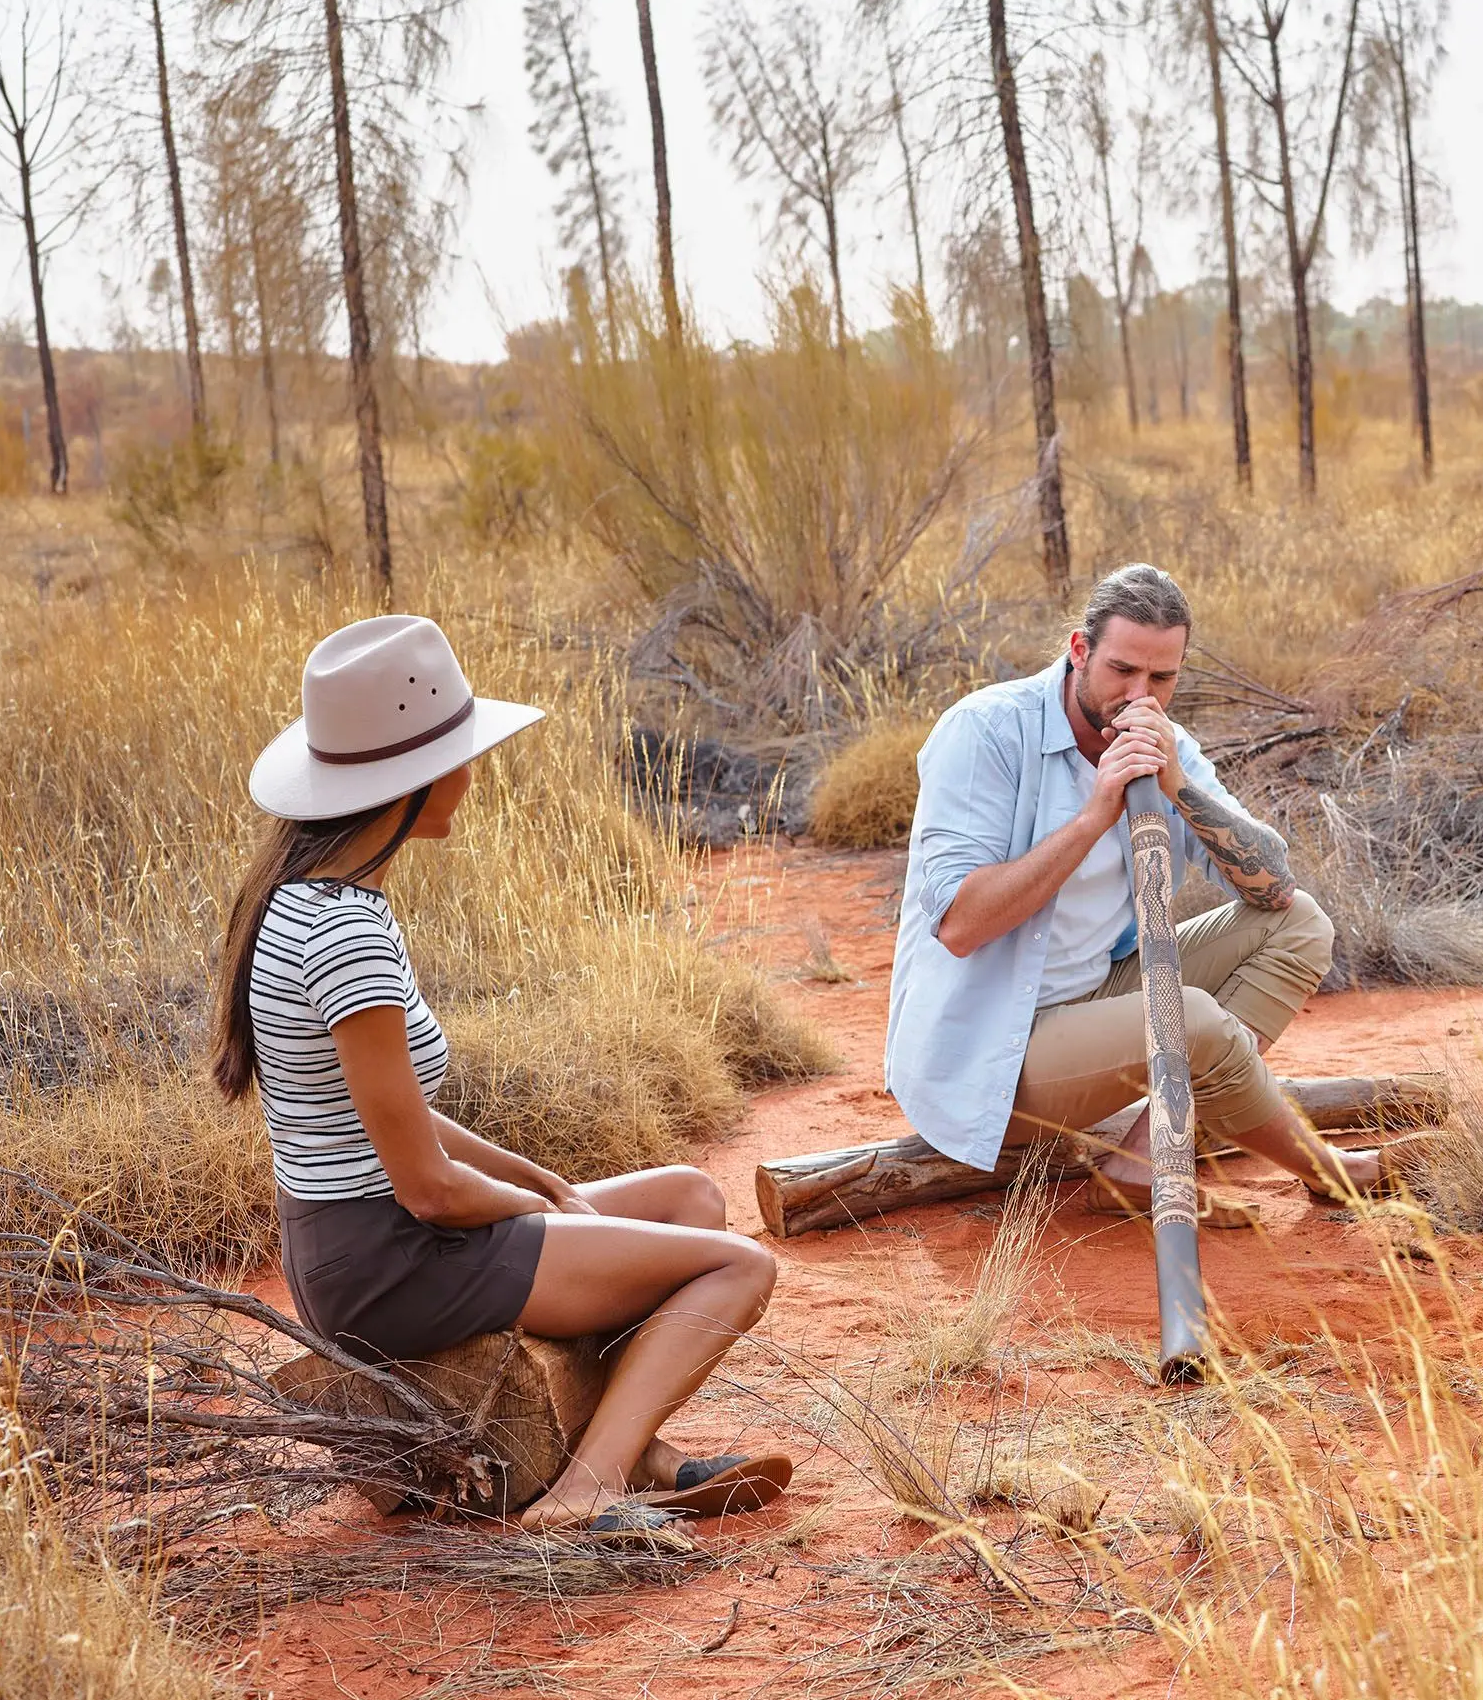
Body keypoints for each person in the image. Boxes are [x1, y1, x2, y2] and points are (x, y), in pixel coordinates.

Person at [212, 615, 792, 1539]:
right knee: (740, 1268)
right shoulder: (347, 934)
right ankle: (584, 1492)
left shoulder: (305, 898)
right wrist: (534, 1213)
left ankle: (632, 1449)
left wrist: (538, 1178)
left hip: (359, 1243)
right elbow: (430, 1189)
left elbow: (401, 1115)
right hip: (387, 1261)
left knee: (686, 1198)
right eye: (461, 756)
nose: (472, 774)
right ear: (408, 784)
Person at [887, 564, 1409, 1224]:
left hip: (1098, 1008)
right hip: (991, 1050)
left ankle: (1141, 1159)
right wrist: (1094, 816)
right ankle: (1329, 1170)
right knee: (1187, 1020)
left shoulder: (1168, 743)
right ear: (1079, 650)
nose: (1140, 695)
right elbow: (961, 925)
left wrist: (1177, 789)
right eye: (1122, 670)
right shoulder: (984, 730)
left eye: (1162, 678)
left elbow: (1275, 886)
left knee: (1302, 926)